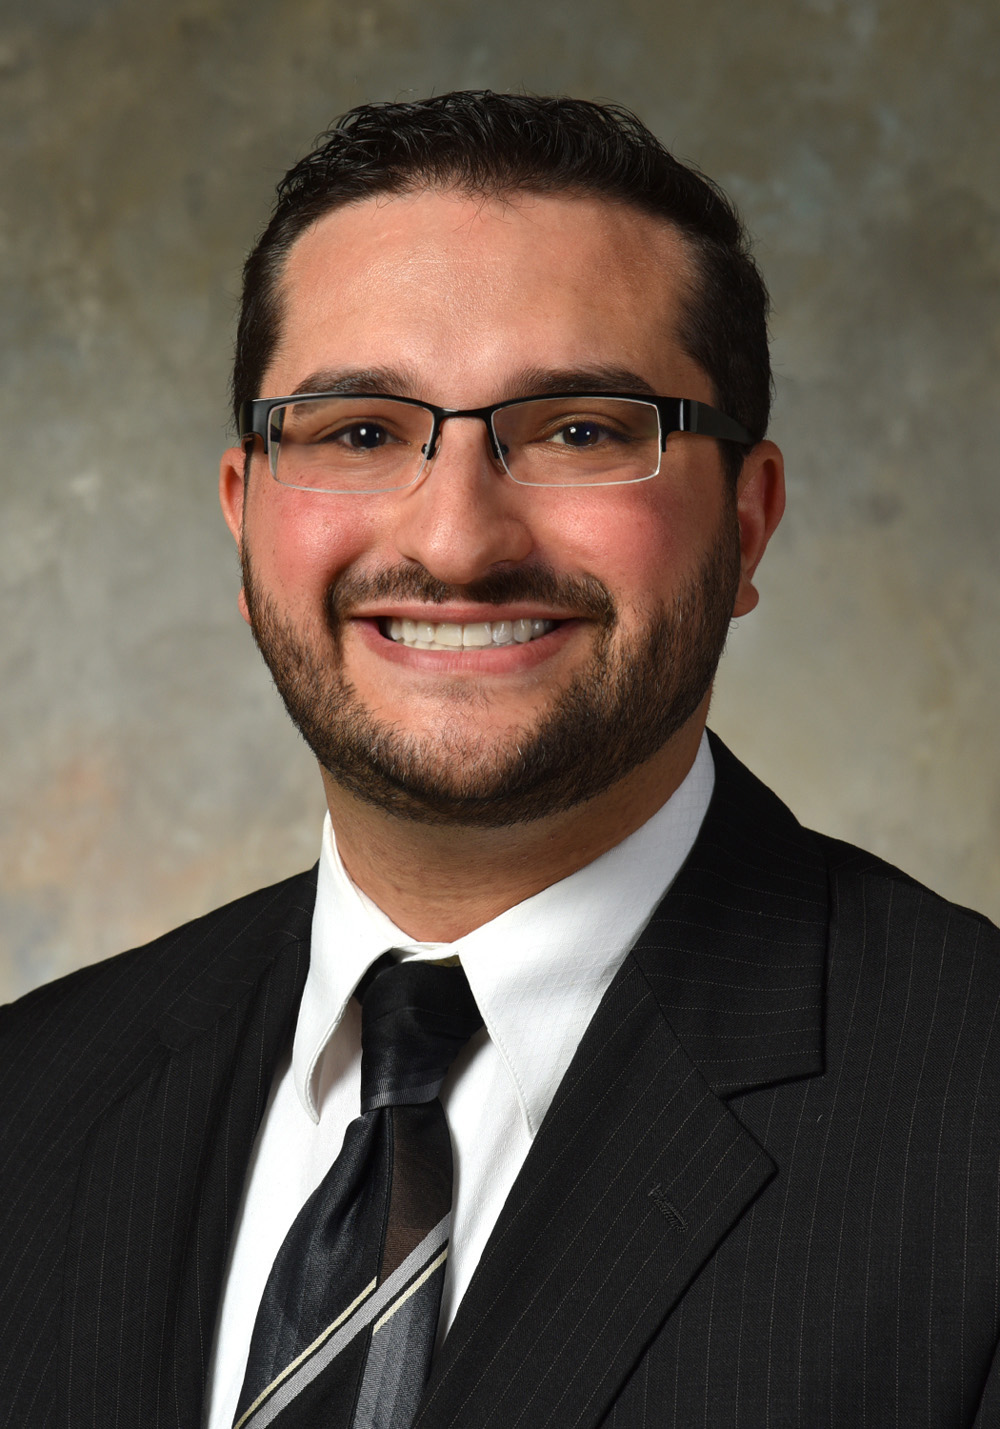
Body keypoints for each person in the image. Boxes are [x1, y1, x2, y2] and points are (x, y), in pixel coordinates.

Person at [1, 91, 999, 1429]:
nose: (458, 542)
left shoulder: (968, 1117)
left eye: (581, 429)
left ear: (748, 523)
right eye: (360, 432)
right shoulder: (34, 1101)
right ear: (247, 520)